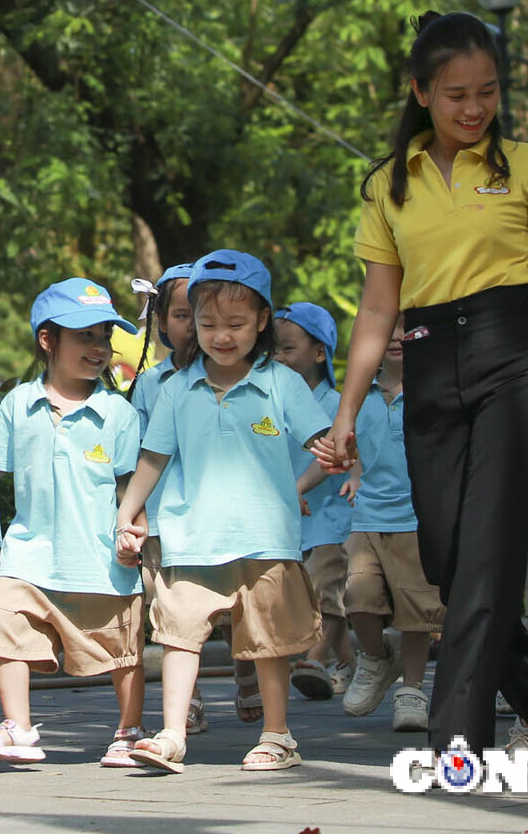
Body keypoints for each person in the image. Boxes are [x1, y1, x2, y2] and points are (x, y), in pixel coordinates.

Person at [315, 11, 528, 753]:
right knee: (444, 559)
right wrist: (345, 414)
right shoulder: (387, 185)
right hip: (430, 363)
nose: (474, 109)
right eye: (455, 94)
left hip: (516, 359)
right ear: (420, 91)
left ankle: (455, 740)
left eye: (488, 93)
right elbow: (378, 305)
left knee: (489, 555)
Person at [117, 251, 324, 774]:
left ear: (262, 321)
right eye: (207, 324)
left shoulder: (282, 382)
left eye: (235, 323)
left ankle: (278, 735)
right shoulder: (176, 387)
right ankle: (170, 735)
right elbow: (153, 457)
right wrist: (128, 514)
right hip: (190, 535)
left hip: (265, 536)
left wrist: (333, 451)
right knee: (177, 635)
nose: (220, 335)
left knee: (269, 640)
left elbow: (321, 439)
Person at [0, 278, 146, 765]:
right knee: (2, 623)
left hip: (100, 558)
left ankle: (130, 731)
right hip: (30, 553)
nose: (99, 348)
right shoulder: (18, 405)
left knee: (122, 650)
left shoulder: (116, 412)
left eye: (104, 337)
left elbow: (134, 482)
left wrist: (136, 529)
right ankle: (17, 728)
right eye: (84, 336)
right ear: (48, 341)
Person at [337, 315, 443, 733]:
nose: (397, 337)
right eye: (389, 329)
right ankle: (376, 658)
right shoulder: (357, 395)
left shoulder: (433, 392)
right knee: (358, 595)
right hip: (368, 517)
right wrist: (354, 472)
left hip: (416, 518)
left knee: (417, 611)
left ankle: (412, 689)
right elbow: (350, 443)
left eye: (407, 327)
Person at [129, 264, 213, 737]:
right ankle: (190, 702)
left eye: (200, 314)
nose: (191, 326)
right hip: (162, 522)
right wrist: (135, 514)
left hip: (214, 521)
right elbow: (140, 457)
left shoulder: (232, 380)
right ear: (161, 323)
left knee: (229, 610)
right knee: (169, 615)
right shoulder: (149, 385)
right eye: (181, 315)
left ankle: (246, 677)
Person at [273, 300, 355, 701]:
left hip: (328, 516)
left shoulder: (336, 406)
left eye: (288, 349)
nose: (277, 357)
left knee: (326, 588)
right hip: (289, 520)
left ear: (319, 352)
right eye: (273, 349)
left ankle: (315, 660)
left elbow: (331, 457)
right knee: (305, 594)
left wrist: (297, 488)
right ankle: (355, 661)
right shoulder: (272, 403)